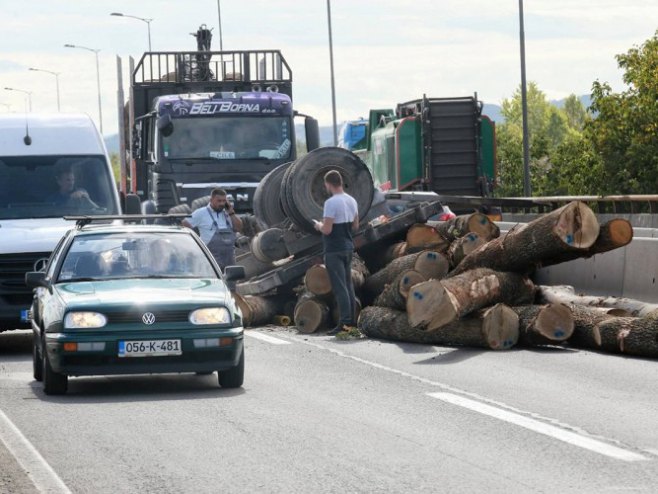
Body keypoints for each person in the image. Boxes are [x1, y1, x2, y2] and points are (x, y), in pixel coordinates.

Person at [314, 170, 359, 335]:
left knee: (340, 288)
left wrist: (318, 225)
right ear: (340, 182)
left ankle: (345, 323)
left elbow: (327, 230)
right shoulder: (351, 200)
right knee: (348, 286)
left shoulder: (331, 203)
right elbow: (355, 226)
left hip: (334, 249)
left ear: (328, 184)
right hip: (348, 246)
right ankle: (352, 322)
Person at [182, 188, 243, 271]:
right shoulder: (201, 213)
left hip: (229, 262)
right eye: (219, 201)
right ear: (211, 200)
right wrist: (194, 244)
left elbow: (239, 228)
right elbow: (184, 225)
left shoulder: (228, 214)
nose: (222, 203)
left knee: (230, 283)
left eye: (224, 201)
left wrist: (231, 213)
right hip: (209, 263)